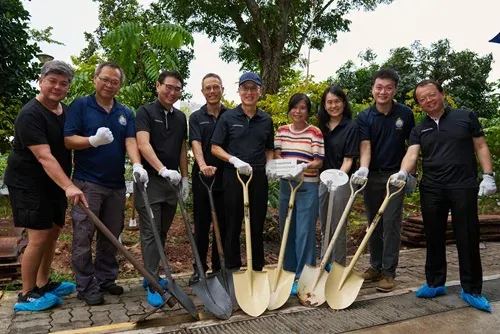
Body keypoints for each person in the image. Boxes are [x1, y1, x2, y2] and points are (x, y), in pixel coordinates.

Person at [390, 80, 497, 311]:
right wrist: (402, 172)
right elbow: (412, 154)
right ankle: (435, 282)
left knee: (467, 236)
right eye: (422, 99)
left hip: (463, 186)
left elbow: (480, 146)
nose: (428, 100)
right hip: (432, 188)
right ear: (419, 104)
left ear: (442, 93)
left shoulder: (465, 117)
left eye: (431, 95)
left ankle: (471, 289)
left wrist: (488, 175)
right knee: (434, 236)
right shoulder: (419, 129)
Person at [5, 60, 88, 312]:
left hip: (54, 182)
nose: (57, 87)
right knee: (38, 237)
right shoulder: (30, 114)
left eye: (63, 83)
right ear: (41, 81)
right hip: (29, 183)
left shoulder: (63, 110)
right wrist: (69, 186)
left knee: (52, 233)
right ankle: (27, 293)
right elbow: (44, 156)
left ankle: (43, 283)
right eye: (52, 81)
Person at [64, 62, 148, 306]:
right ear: (95, 78)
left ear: (119, 85)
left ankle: (105, 278)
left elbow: (130, 141)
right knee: (83, 236)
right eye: (105, 79)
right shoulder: (80, 105)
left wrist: (137, 165)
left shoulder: (124, 112)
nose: (109, 85)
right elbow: (68, 140)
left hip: (116, 185)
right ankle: (86, 285)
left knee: (111, 235)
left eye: (115, 82)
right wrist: (91, 140)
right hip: (87, 183)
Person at [352, 68, 415, 292]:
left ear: (395, 89)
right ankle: (375, 266)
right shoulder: (365, 117)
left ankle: (389, 272)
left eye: (388, 88)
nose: (383, 92)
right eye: (379, 87)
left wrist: (409, 174)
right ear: (372, 89)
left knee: (391, 224)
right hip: (373, 176)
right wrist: (364, 168)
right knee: (373, 223)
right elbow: (365, 146)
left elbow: (413, 146)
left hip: (395, 176)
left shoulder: (405, 114)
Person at [133, 70, 189, 306]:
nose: (172, 92)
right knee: (150, 231)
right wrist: (162, 169)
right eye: (168, 87)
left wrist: (185, 178)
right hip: (150, 181)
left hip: (172, 184)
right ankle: (153, 281)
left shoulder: (180, 117)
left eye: (177, 89)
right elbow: (143, 143)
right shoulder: (145, 112)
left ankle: (152, 274)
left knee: (162, 231)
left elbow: (181, 148)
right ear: (158, 86)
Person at [211, 72, 274, 272]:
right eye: (245, 88)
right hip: (233, 175)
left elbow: (269, 149)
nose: (249, 92)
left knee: (256, 223)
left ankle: (256, 268)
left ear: (260, 91)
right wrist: (234, 160)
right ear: (239, 91)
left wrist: (270, 164)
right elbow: (215, 147)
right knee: (232, 222)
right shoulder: (228, 117)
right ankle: (232, 268)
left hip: (258, 176)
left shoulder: (266, 120)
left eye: (253, 88)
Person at [273, 93, 324, 294]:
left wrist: (302, 167)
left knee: (305, 231)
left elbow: (318, 160)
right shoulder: (282, 131)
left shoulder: (315, 132)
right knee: (287, 229)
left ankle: (305, 275)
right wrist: (283, 166)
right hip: (287, 186)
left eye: (303, 108)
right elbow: (277, 153)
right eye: (295, 107)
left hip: (307, 186)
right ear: (289, 109)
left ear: (308, 111)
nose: (298, 111)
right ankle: (289, 272)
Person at [189, 73, 227, 283]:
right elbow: (195, 142)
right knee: (202, 226)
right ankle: (199, 267)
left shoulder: (231, 115)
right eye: (208, 88)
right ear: (202, 92)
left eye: (216, 87)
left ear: (222, 89)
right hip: (203, 179)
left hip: (225, 179)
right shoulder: (196, 117)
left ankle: (219, 267)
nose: (212, 91)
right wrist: (202, 165)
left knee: (222, 224)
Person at [317, 86, 359, 270]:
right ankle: (324, 261)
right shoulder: (320, 128)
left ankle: (338, 266)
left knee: (338, 225)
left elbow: (349, 159)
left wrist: (338, 178)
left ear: (343, 103)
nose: (333, 105)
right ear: (324, 105)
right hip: (322, 181)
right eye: (329, 102)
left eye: (337, 101)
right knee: (325, 224)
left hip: (342, 181)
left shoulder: (351, 127)